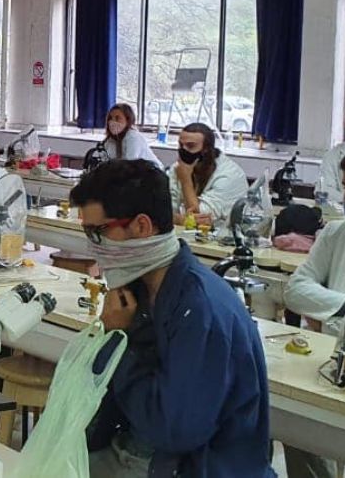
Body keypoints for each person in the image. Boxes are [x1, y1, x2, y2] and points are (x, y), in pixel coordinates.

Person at [71, 160, 273, 477]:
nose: (92, 246)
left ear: (141, 226)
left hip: (197, 466)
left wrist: (117, 341)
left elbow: (174, 430)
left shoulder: (199, 308)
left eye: (98, 232)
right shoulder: (139, 290)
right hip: (146, 450)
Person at [282, 138, 345, 478]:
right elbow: (295, 290)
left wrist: (329, 309)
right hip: (329, 356)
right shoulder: (337, 233)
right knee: (299, 433)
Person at [167, 123, 247, 227]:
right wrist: (177, 219)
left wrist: (185, 180)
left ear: (206, 149)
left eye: (190, 146)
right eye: (181, 145)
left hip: (224, 237)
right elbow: (164, 210)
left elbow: (200, 218)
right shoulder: (178, 168)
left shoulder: (229, 175)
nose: (184, 150)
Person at [104, 103, 162, 169]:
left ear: (128, 120)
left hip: (153, 175)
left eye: (117, 118)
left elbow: (130, 167)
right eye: (110, 118)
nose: (112, 122)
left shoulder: (133, 137)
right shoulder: (110, 140)